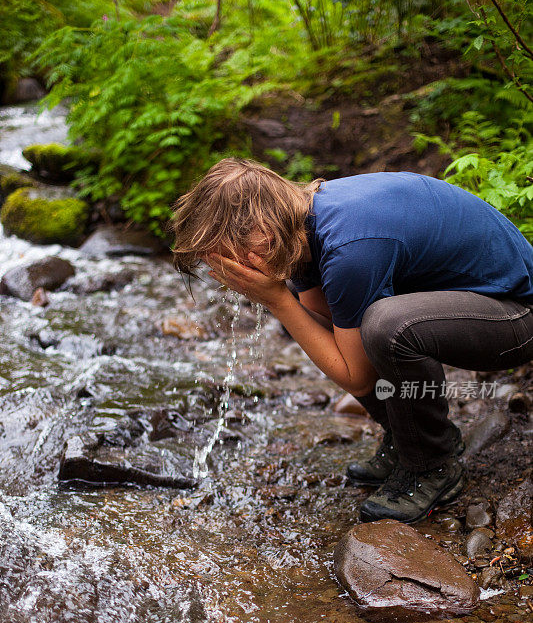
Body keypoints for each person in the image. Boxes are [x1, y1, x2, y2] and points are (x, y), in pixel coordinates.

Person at [171, 158, 533, 525]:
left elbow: (356, 375)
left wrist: (276, 300)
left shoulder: (350, 247)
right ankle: (405, 436)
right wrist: (287, 299)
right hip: (474, 304)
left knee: (386, 327)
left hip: (517, 315)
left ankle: (432, 466)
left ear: (262, 229)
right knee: (329, 320)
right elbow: (317, 306)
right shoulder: (305, 218)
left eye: (227, 254)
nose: (229, 270)